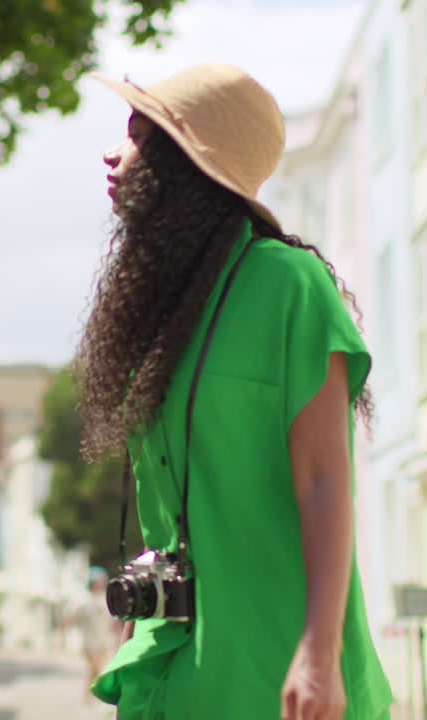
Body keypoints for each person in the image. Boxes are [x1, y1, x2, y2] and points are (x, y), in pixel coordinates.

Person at [77, 64, 394, 720]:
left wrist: (318, 653)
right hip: (178, 669)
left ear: (185, 166)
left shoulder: (290, 285)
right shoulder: (164, 309)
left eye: (139, 137)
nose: (114, 151)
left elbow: (324, 479)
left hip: (282, 673)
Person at [65, 567, 124, 704]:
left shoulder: (106, 599)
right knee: (95, 667)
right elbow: (72, 617)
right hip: (89, 640)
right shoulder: (84, 600)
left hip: (104, 640)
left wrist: (118, 634)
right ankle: (94, 694)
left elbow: (114, 620)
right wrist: (65, 634)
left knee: (96, 669)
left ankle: (89, 695)